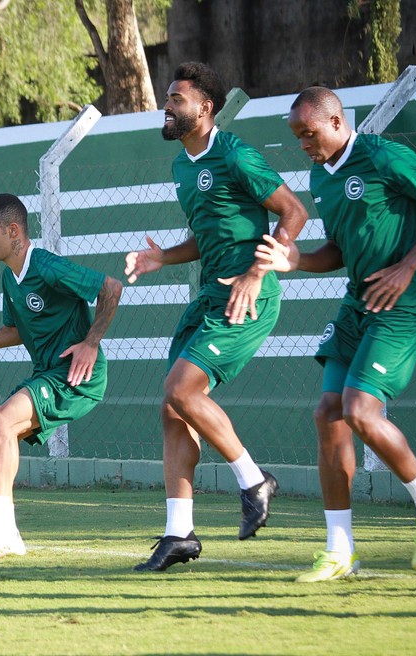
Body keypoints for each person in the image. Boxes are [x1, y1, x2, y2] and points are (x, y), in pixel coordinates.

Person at [254, 86, 416, 580]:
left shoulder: (381, 155)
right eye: (297, 137)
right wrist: (295, 261)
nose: (304, 145)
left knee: (359, 409)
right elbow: (339, 249)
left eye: (309, 134)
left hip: (405, 301)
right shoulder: (320, 175)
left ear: (336, 123)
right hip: (360, 301)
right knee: (328, 413)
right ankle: (340, 550)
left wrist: (408, 267)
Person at [124, 61, 309, 571]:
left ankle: (254, 480)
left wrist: (256, 273)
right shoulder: (182, 166)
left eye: (176, 99)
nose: (166, 106)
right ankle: (179, 534)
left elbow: (294, 211)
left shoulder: (235, 154)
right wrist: (162, 257)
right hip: (210, 297)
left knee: (181, 390)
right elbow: (207, 237)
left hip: (247, 297)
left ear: (205, 108)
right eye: (167, 98)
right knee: (173, 408)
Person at [0, 193, 122, 561]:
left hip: (76, 375)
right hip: (49, 373)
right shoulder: (11, 279)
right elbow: (14, 332)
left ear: (13, 231)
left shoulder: (47, 266)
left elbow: (111, 288)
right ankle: (4, 531)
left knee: (0, 421)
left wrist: (90, 343)